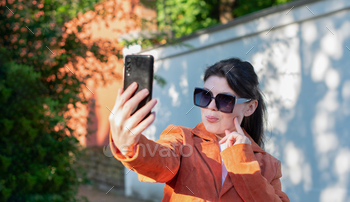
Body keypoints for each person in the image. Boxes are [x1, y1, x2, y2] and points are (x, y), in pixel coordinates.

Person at [108, 57, 290, 201]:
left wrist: (241, 160)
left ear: (249, 107)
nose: (210, 106)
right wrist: (131, 146)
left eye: (224, 100)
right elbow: (159, 163)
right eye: (205, 96)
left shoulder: (269, 165)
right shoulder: (181, 139)